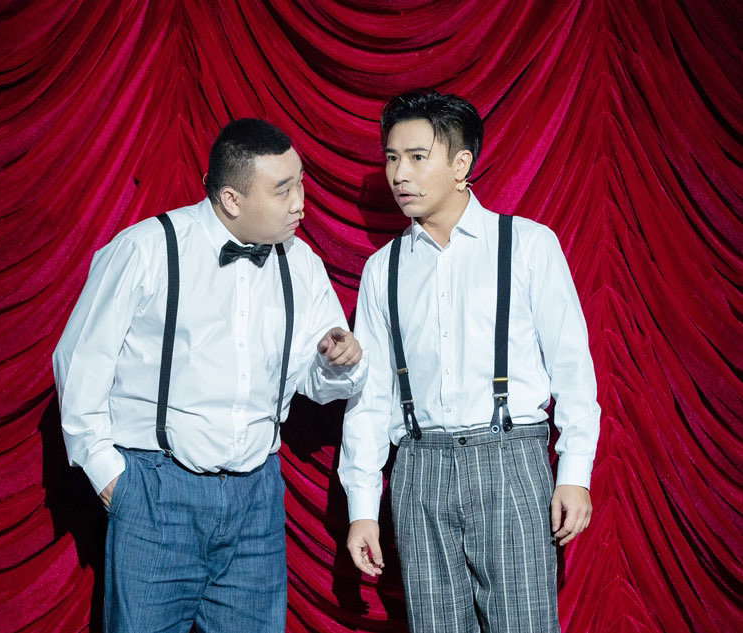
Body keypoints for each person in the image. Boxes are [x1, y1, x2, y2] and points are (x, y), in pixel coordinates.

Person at [53, 118, 367, 633]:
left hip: (256, 500)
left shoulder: (302, 264)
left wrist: (339, 362)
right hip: (157, 492)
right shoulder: (147, 249)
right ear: (231, 199)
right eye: (283, 189)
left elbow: (318, 382)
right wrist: (110, 477)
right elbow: (80, 361)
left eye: (300, 183)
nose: (300, 203)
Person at [338, 90, 600, 632]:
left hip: (510, 461)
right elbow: (370, 398)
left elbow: (574, 370)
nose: (399, 174)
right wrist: (362, 507)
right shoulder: (383, 269)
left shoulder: (527, 245)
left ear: (461, 165)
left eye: (417, 157)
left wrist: (575, 472)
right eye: (391, 158)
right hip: (419, 469)